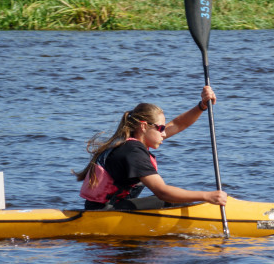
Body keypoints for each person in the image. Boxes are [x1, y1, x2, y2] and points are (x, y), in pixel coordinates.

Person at [76, 86, 229, 210]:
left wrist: (202, 106)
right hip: (105, 212)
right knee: (170, 200)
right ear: (143, 126)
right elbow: (162, 192)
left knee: (174, 198)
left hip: (105, 208)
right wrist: (207, 196)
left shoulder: (130, 143)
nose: (164, 133)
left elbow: (178, 124)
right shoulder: (133, 152)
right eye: (161, 128)